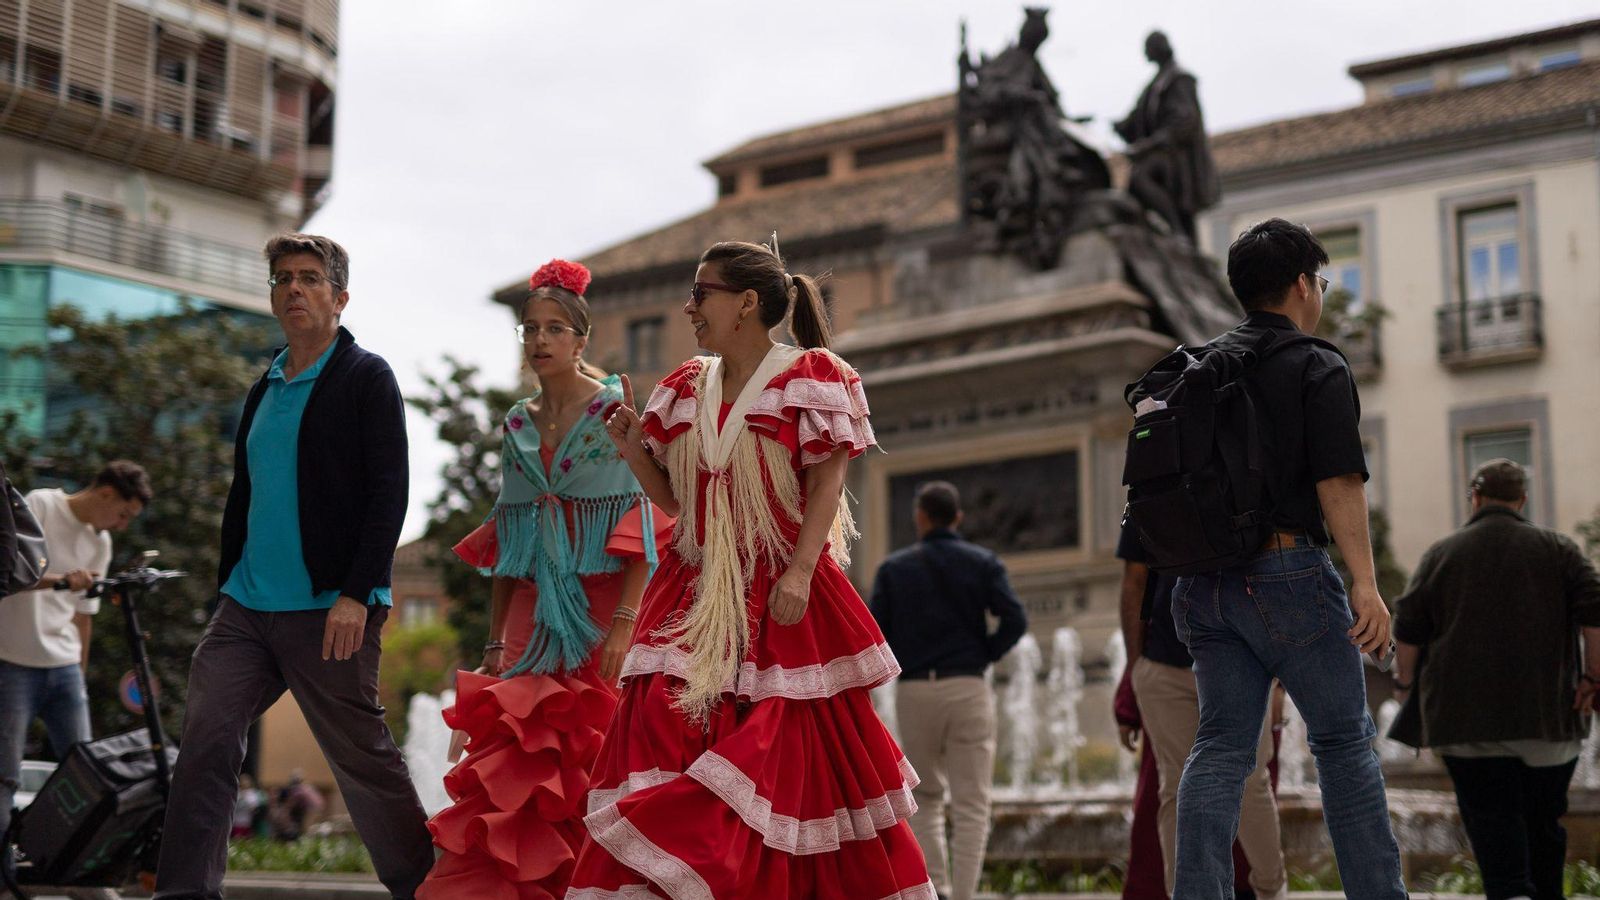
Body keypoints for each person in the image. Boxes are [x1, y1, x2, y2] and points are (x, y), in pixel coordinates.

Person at [566, 238, 933, 898]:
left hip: (778, 584)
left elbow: (826, 487)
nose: (689, 307)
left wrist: (798, 573)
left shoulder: (813, 374)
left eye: (701, 292)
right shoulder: (685, 386)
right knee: (657, 725)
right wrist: (631, 449)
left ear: (746, 303)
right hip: (694, 585)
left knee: (781, 752)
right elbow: (679, 501)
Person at [155, 234, 433, 899]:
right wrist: (227, 584)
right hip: (247, 608)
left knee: (360, 756)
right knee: (205, 742)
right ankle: (184, 892)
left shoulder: (366, 376)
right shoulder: (266, 382)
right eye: (282, 278)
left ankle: (427, 887)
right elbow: (246, 492)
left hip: (328, 607)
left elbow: (387, 490)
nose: (293, 289)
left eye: (309, 278)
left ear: (339, 296)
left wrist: (356, 593)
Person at [1168, 219, 1404, 899]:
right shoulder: (1315, 363)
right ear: (1304, 284)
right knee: (1341, 744)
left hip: (1204, 586)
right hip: (1290, 574)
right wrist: (1365, 582)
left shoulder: (1198, 368)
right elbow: (1339, 482)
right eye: (1322, 281)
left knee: (1220, 747)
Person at [417, 260, 669, 898]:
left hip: (600, 603)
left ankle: (595, 884)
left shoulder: (612, 408)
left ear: (580, 339)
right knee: (518, 752)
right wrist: (495, 640)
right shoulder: (517, 425)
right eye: (530, 329)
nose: (539, 340)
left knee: (595, 747)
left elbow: (641, 525)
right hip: (534, 608)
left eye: (555, 328)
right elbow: (509, 539)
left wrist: (623, 627)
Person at [1390, 459, 1600, 900]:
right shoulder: (1560, 549)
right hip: (1549, 722)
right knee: (1544, 825)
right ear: (1522, 499)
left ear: (1476, 498)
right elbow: (1595, 613)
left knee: (1492, 829)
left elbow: (1408, 628)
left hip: (1466, 725)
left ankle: (1510, 893)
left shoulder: (1442, 553)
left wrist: (1405, 684)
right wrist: (1592, 678)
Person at [867, 480, 1026, 900]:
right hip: (967, 686)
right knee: (973, 802)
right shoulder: (982, 562)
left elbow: (874, 634)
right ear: (957, 518)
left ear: (920, 517)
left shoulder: (893, 570)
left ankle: (935, 889)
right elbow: (1016, 620)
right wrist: (984, 654)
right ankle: (966, 894)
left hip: (916, 691)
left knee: (926, 798)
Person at [1116, 518, 1286, 899]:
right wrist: (1136, 668)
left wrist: (1279, 673)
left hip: (1242, 661)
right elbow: (1134, 579)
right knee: (1176, 790)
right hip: (1163, 665)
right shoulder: (1149, 484)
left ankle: (1271, 890)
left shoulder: (1247, 473)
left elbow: (1276, 568)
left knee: (1251, 781)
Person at [0, 461, 149, 868]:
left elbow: (84, 617)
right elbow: (12, 572)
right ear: (105, 493)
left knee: (90, 778)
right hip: (13, 662)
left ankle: (83, 871)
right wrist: (65, 579)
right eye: (122, 513)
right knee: (4, 777)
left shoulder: (99, 544)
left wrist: (78, 679)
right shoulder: (41, 505)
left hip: (64, 667)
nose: (120, 525)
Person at [1114, 30, 1220, 242]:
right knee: (1135, 187)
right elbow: (1138, 118)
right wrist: (1121, 126)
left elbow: (1184, 121)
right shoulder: (1157, 83)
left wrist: (1148, 145)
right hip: (1164, 154)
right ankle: (1167, 232)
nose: (1146, 53)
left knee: (1140, 177)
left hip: (1177, 159)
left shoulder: (1178, 79)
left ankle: (1175, 229)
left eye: (1148, 48)